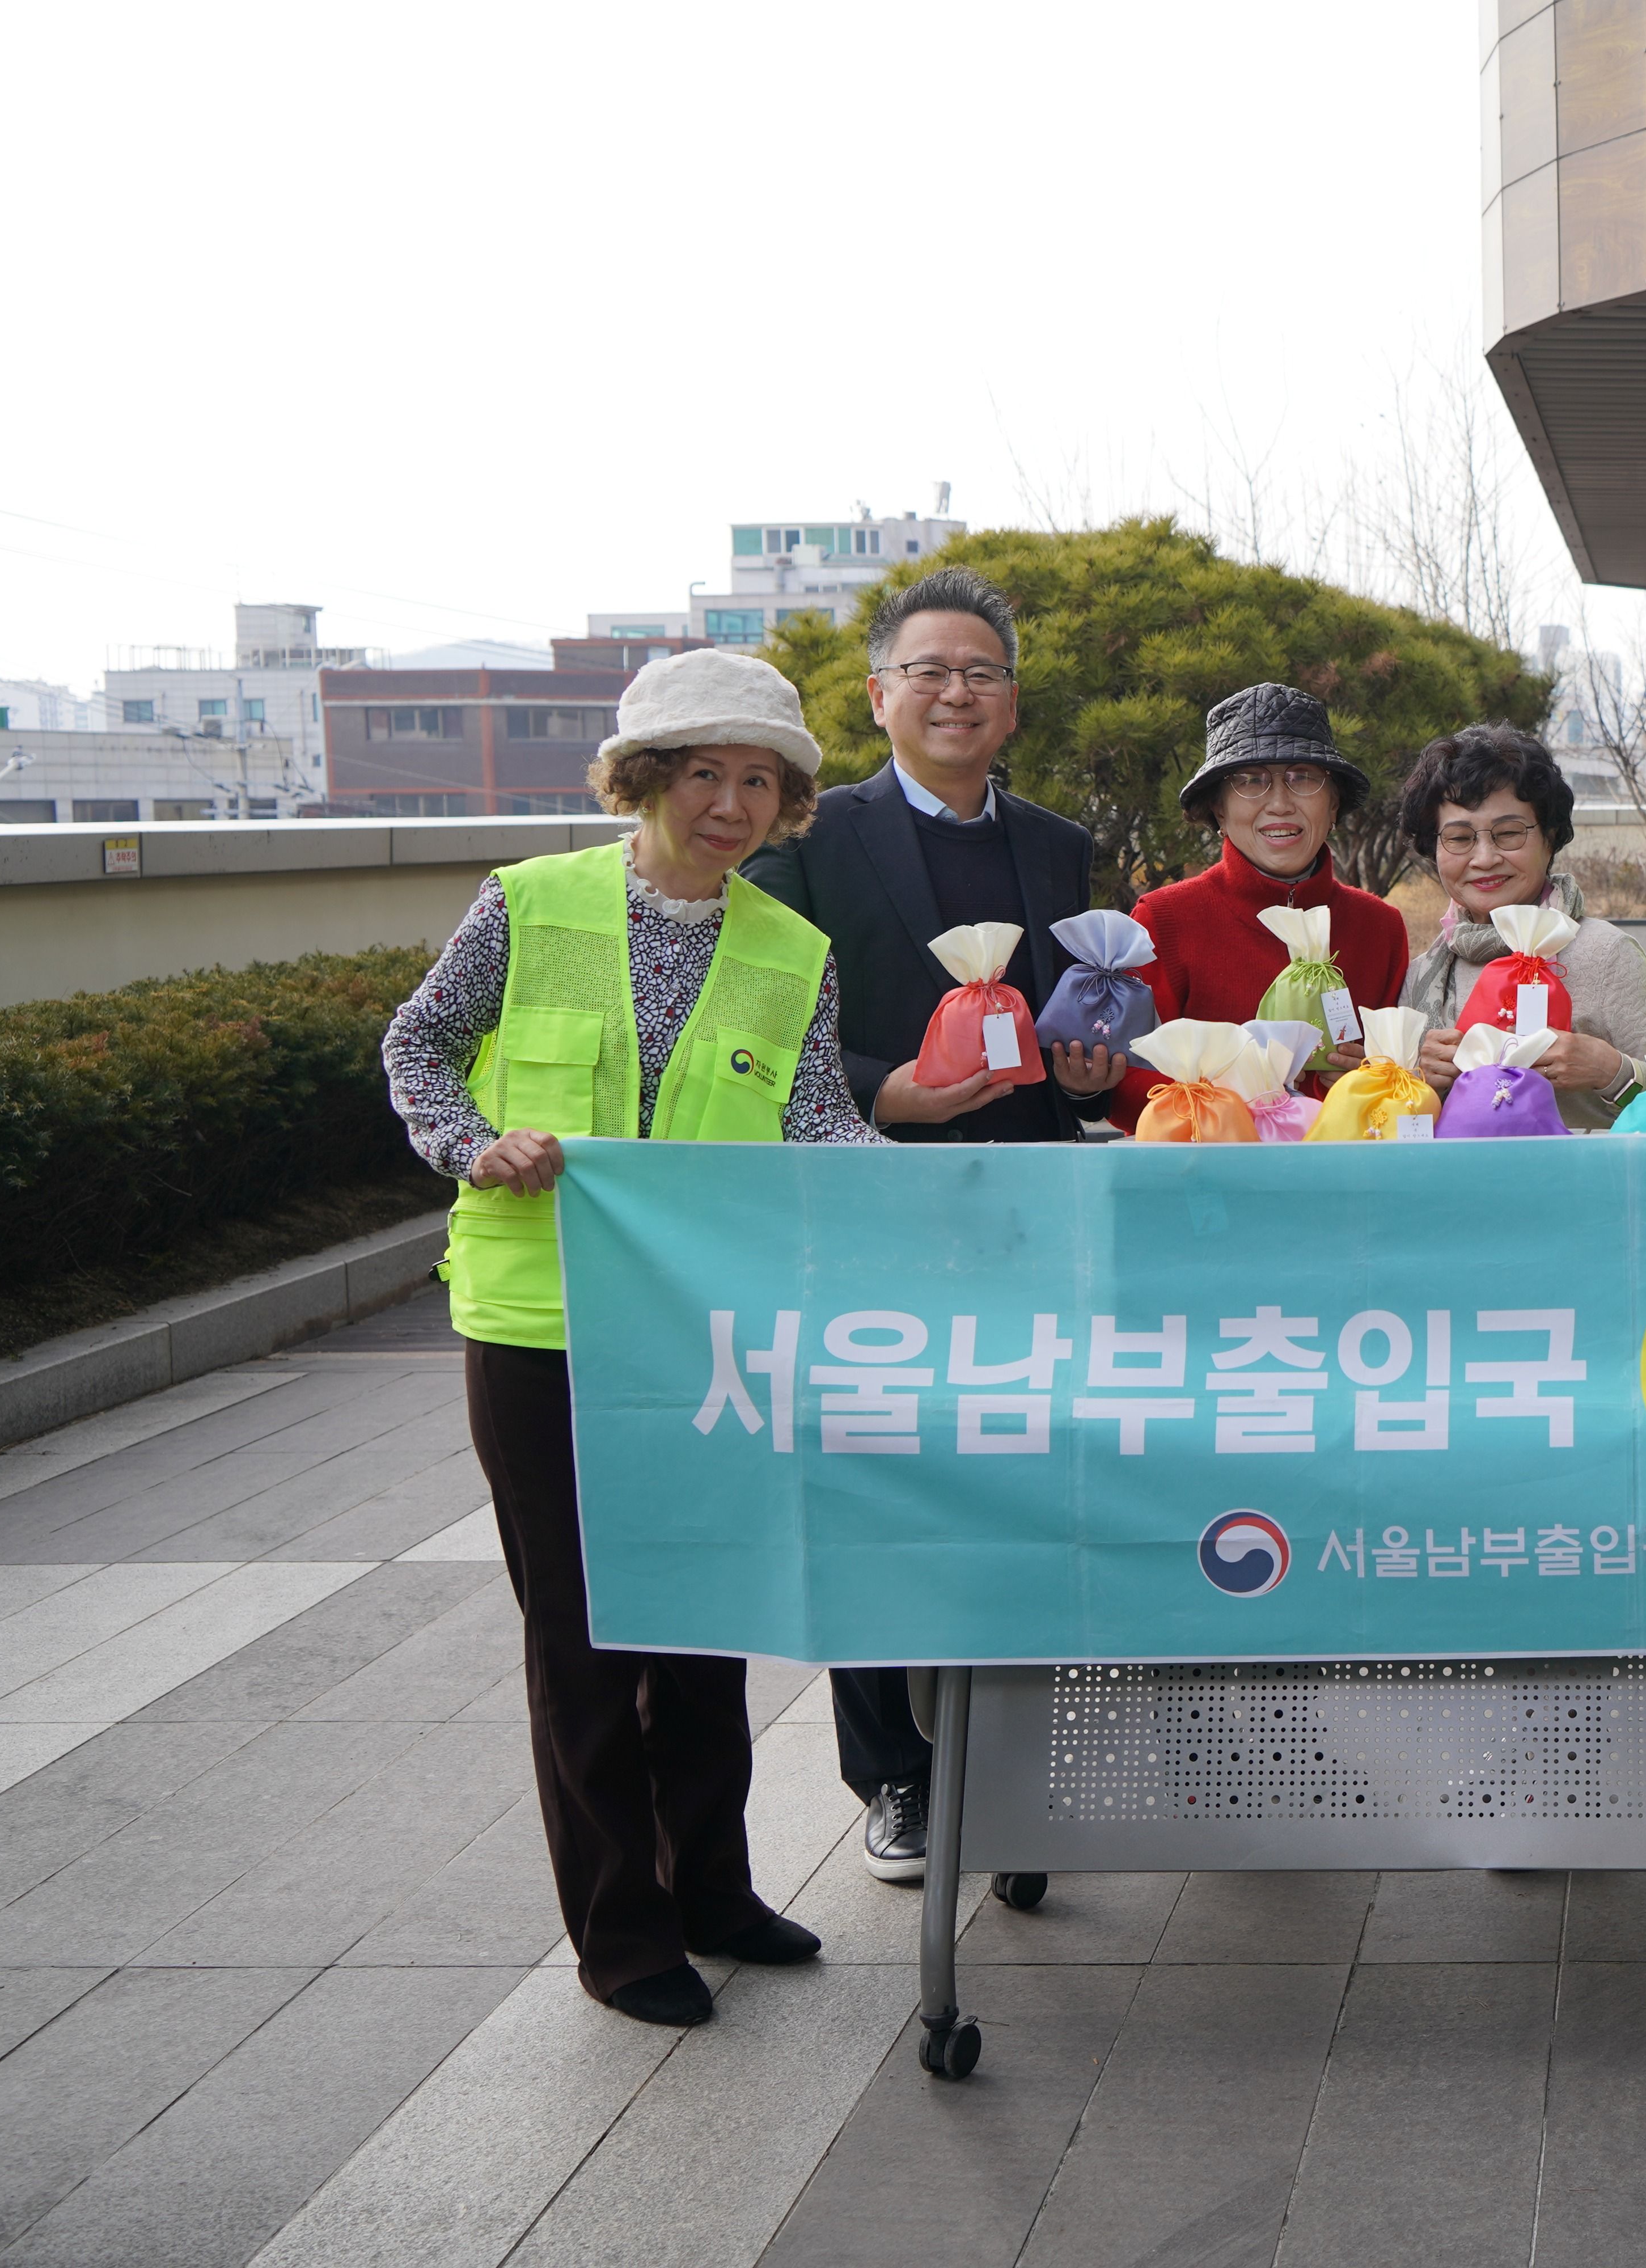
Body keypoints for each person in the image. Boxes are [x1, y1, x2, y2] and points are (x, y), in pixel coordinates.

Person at [382, 650, 881, 2027]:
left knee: (707, 1627)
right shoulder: (527, 904)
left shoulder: (793, 950)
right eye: (706, 772)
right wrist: (474, 1143)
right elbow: (418, 1049)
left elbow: (818, 1127)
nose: (733, 805)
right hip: (540, 1324)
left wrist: (939, 1188)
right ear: (647, 778)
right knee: (585, 1638)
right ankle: (621, 1930)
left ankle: (711, 1888)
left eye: (761, 781)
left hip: (708, 1330)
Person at [743, 565, 1116, 1887]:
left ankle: (1015, 1772)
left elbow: (1079, 1031)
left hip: (1026, 1212)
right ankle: (896, 1772)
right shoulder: (812, 843)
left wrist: (1091, 1076)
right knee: (878, 1489)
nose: (957, 692)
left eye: (982, 673)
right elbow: (759, 1036)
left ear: (1011, 701)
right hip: (873, 1208)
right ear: (878, 694)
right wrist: (884, 1091)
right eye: (930, 670)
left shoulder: (1058, 847)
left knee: (1027, 1483)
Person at [1111, 683, 1411, 1124]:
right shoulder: (1164, 920)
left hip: (1348, 1164)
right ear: (1219, 809)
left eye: (1303, 777)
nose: (1280, 803)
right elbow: (1126, 1083)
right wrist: (1234, 1093)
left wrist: (1368, 1077)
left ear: (1334, 805)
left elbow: (1405, 1088)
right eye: (1251, 781)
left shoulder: (1379, 927)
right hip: (1207, 1164)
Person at [1396, 721, 1646, 1127]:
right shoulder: (1423, 974)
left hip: (1581, 1170)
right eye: (1459, 838)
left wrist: (1612, 1072)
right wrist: (1414, 1078)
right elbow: (1399, 1122)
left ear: (1550, 838)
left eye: (1509, 833)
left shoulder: (1605, 954)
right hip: (1456, 1171)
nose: (1485, 858)